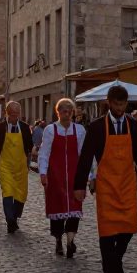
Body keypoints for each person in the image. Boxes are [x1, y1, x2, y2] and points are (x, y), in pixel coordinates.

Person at [75, 86, 137, 273]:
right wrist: (79, 185)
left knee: (129, 226)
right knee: (107, 232)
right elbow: (86, 157)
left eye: (123, 104)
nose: (120, 107)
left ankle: (114, 261)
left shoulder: (133, 126)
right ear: (109, 102)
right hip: (106, 185)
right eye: (117, 104)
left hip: (127, 184)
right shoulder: (97, 126)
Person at [40, 98, 86, 257]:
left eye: (70, 111)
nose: (67, 114)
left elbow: (83, 154)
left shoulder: (79, 130)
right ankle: (59, 239)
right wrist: (43, 173)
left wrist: (89, 174)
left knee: (75, 209)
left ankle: (70, 241)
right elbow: (44, 153)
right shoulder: (50, 130)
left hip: (75, 177)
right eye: (64, 111)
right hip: (56, 176)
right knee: (57, 208)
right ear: (57, 112)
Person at [0, 102, 34, 233]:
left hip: (21, 166)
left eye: (17, 115)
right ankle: (10, 220)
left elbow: (29, 145)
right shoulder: (0, 128)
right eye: (12, 115)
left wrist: (34, 152)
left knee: (21, 194)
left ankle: (15, 217)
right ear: (7, 113)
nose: (14, 118)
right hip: (5, 165)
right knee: (7, 192)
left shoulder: (24, 127)